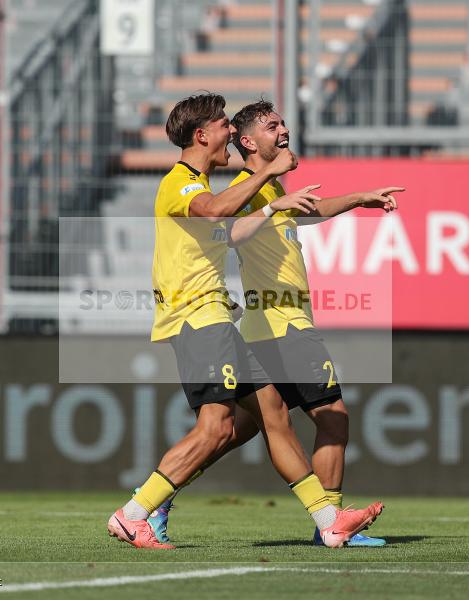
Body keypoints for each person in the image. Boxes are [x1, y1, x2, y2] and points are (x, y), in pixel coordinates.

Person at [107, 93, 383, 549]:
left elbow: (229, 229)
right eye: (222, 126)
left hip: (220, 315)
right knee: (217, 428)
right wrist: (269, 177)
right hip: (197, 315)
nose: (229, 133)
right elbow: (216, 214)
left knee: (270, 417)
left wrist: (286, 203)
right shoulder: (181, 184)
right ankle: (136, 511)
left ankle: (329, 520)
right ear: (201, 135)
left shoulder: (210, 187)